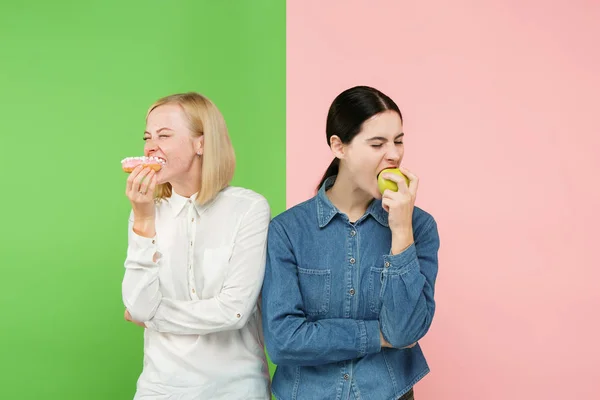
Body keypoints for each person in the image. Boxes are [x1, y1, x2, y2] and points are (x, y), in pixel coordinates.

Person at [261, 86, 440, 400]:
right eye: (377, 143)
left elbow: (404, 332)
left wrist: (401, 233)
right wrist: (376, 336)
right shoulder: (287, 231)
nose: (394, 154)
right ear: (338, 146)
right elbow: (283, 340)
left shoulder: (419, 226)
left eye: (398, 141)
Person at [121, 92, 272, 399]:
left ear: (201, 143)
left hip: (235, 389)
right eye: (148, 137)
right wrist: (143, 219)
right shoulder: (147, 211)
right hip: (159, 389)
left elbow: (233, 312)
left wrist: (152, 317)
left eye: (164, 135)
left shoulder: (248, 209)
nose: (151, 146)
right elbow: (137, 304)